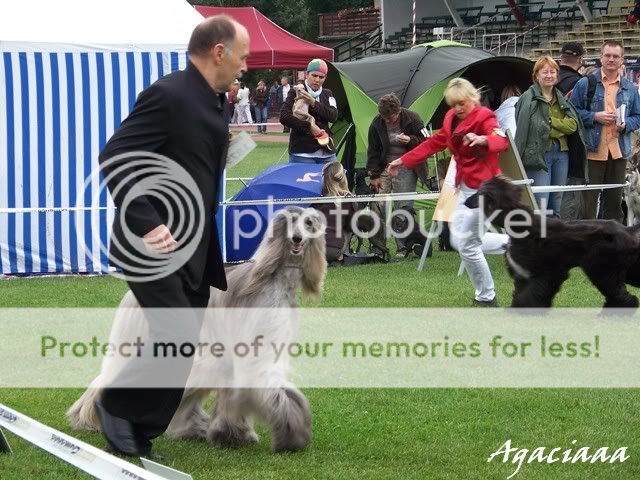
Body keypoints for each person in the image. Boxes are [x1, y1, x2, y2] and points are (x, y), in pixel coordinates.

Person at [96, 15, 249, 457]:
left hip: (195, 247)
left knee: (183, 343)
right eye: (242, 56)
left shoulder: (217, 103)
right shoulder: (169, 94)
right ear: (218, 52)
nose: (245, 65)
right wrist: (147, 221)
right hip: (149, 242)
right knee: (175, 331)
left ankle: (139, 431)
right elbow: (116, 156)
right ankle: (115, 406)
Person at [388, 78, 509, 306]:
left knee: (468, 245)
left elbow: (501, 141)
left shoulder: (485, 117)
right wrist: (402, 161)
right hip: (464, 187)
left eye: (462, 103)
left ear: (473, 98)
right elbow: (433, 143)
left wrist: (483, 139)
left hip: (486, 190)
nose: (458, 108)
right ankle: (518, 242)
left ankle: (486, 297)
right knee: (457, 240)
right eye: (454, 104)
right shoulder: (451, 119)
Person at [570, 40, 640, 222]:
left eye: (615, 56)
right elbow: (572, 112)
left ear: (622, 60)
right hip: (592, 153)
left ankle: (613, 238)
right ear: (600, 58)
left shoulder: (630, 88)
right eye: (607, 55)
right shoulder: (585, 84)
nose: (611, 59)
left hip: (618, 153)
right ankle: (588, 237)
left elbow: (638, 116)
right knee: (588, 205)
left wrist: (626, 124)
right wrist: (594, 117)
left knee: (614, 206)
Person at [515, 56, 586, 217]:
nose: (549, 75)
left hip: (561, 154)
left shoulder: (561, 97)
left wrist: (549, 121)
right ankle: (540, 233)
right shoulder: (527, 98)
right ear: (536, 75)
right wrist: (558, 127)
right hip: (538, 155)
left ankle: (554, 233)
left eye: (552, 72)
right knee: (540, 203)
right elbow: (532, 128)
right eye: (545, 72)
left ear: (557, 75)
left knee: (556, 203)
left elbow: (573, 125)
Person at [366, 93, 427, 258]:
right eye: (385, 118)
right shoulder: (376, 123)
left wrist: (410, 140)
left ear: (399, 110)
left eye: (392, 117)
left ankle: (403, 247)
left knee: (403, 207)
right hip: (384, 168)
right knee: (378, 207)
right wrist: (374, 176)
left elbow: (427, 142)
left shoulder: (413, 118)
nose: (389, 121)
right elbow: (372, 151)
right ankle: (378, 248)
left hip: (407, 167)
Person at [280, 59, 338, 164]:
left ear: (325, 78)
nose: (317, 80)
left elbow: (333, 116)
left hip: (327, 152)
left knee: (336, 174)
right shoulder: (296, 91)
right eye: (314, 75)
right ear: (307, 74)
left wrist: (313, 102)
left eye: (321, 77)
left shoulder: (328, 93)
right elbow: (284, 117)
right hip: (302, 153)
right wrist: (309, 127)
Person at [315, 161, 357, 263]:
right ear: (343, 177)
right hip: (333, 250)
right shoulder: (346, 198)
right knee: (348, 228)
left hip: (313, 251)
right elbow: (351, 226)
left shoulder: (316, 197)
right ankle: (340, 256)